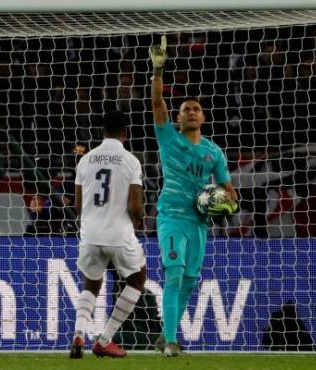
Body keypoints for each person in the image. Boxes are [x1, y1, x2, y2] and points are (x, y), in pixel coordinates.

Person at [149, 35, 238, 357]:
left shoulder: (214, 152)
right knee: (173, 274)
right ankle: (172, 342)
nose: (191, 112)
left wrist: (227, 203)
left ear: (203, 117)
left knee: (189, 280)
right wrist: (157, 72)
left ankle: (164, 335)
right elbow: (158, 103)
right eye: (186, 109)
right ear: (179, 117)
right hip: (172, 216)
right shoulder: (168, 138)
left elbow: (230, 192)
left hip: (199, 223)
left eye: (196, 109)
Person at [69, 111, 146, 359]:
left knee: (91, 284)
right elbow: (135, 206)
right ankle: (105, 339)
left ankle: (79, 333)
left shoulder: (86, 160)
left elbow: (78, 206)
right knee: (137, 280)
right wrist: (139, 221)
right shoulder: (131, 161)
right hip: (119, 233)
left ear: (102, 132)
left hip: (90, 233)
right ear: (126, 132)